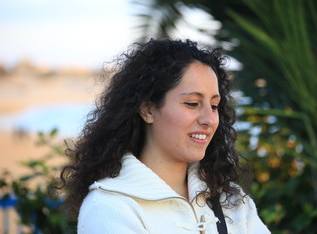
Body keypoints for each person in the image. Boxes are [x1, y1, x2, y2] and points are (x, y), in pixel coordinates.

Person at [60, 39, 270, 233]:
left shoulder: (232, 201)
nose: (209, 119)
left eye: (214, 106)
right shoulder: (109, 208)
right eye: (192, 103)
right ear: (148, 110)